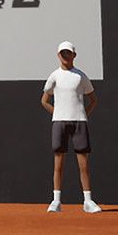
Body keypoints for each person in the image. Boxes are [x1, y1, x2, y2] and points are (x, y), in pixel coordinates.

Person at [41, 42, 101, 214]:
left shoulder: (81, 76)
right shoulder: (54, 76)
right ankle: (56, 201)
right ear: (58, 55)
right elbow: (44, 100)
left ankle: (88, 201)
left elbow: (93, 100)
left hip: (79, 122)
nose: (65, 56)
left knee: (83, 165)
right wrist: (57, 113)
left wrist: (83, 114)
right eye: (63, 53)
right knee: (58, 164)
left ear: (74, 55)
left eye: (68, 53)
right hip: (59, 122)